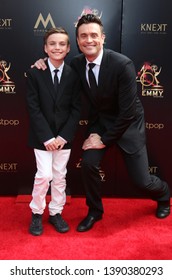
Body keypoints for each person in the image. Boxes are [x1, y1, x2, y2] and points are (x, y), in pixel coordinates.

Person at [33, 14, 171, 232]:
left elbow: (126, 113)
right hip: (101, 121)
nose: (89, 40)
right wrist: (41, 63)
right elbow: (56, 64)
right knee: (88, 163)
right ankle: (95, 211)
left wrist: (104, 140)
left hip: (128, 123)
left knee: (142, 180)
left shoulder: (122, 64)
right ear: (77, 42)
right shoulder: (77, 64)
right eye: (83, 36)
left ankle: (164, 195)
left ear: (103, 38)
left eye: (93, 35)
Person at [26, 27, 81, 235]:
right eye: (52, 44)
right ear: (45, 48)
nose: (56, 47)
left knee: (60, 176)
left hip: (63, 138)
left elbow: (76, 109)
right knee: (44, 175)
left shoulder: (74, 75)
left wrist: (62, 136)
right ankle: (37, 212)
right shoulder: (34, 73)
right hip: (41, 138)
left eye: (61, 44)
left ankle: (56, 212)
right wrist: (48, 137)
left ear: (68, 48)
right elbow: (33, 108)